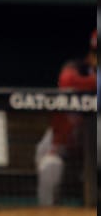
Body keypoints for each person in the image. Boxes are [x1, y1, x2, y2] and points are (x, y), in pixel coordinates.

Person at [35, 30, 97, 206]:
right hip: (66, 140)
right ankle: (47, 211)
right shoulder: (77, 67)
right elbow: (67, 80)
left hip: (93, 146)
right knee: (49, 165)